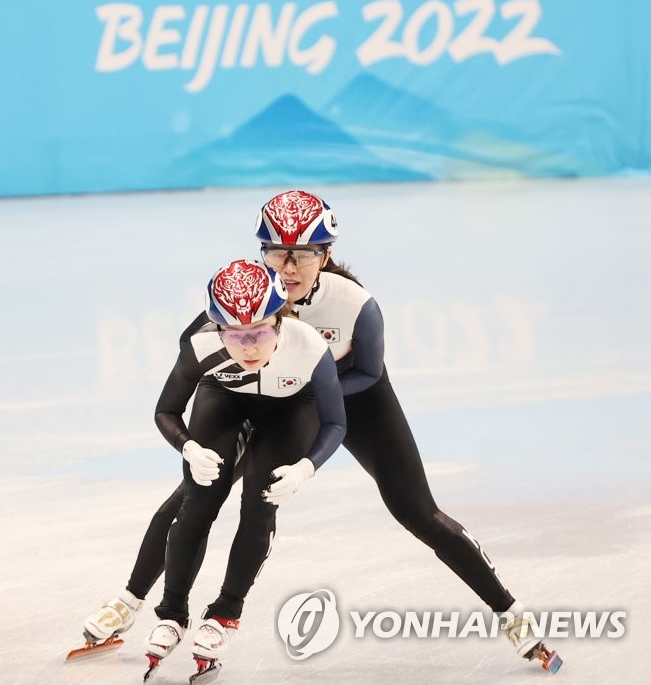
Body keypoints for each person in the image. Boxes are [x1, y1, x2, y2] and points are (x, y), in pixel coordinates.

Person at [79, 190, 562, 675]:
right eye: (277, 252)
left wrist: (303, 386)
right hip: (269, 395)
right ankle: (129, 601)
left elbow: (369, 372)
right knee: (198, 491)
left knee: (416, 510)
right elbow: (198, 349)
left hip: (353, 396)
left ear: (324, 255)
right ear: (261, 252)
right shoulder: (248, 296)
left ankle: (511, 614)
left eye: (304, 255)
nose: (289, 268)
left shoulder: (355, 305)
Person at [132, 258, 347, 680]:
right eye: (235, 335)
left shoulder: (308, 345)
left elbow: (336, 422)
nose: (248, 347)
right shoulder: (201, 345)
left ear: (280, 322)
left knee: (260, 502)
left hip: (290, 408)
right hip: (224, 395)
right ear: (218, 329)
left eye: (260, 333)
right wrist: (188, 446)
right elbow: (165, 410)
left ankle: (226, 612)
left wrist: (307, 467)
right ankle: (172, 613)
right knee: (199, 498)